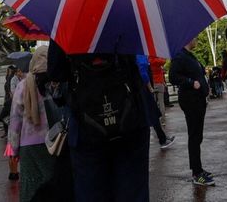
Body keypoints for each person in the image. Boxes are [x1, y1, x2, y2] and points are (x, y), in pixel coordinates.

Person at [47, 40, 151, 201]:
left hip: (86, 120)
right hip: (130, 115)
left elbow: (55, 71)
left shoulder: (65, 20)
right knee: (133, 190)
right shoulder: (125, 15)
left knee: (91, 191)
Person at [8, 46, 55, 201]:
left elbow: (15, 121)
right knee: (53, 187)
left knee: (30, 189)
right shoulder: (55, 85)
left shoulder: (22, 86)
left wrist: (13, 150)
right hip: (54, 145)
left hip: (28, 147)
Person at [170, 38, 214, 186]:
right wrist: (190, 82)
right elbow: (173, 77)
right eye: (195, 37)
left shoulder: (189, 56)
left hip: (198, 100)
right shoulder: (179, 56)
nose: (197, 40)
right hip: (191, 100)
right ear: (188, 39)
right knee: (194, 136)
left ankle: (198, 168)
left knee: (197, 135)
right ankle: (196, 173)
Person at [135, 55, 175, 150]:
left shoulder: (140, 54)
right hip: (144, 88)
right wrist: (149, 87)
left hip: (142, 87)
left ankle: (163, 137)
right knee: (152, 113)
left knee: (152, 114)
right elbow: (143, 72)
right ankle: (162, 139)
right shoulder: (140, 55)